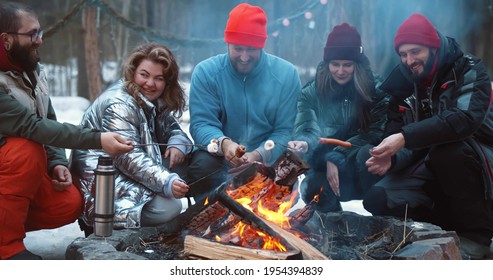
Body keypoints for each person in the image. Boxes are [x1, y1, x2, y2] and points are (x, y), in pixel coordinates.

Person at [0, 2, 133, 260]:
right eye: (32, 34)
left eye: (40, 32)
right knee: (25, 151)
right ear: (6, 40)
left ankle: (6, 224)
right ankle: (7, 248)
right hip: (11, 162)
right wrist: (98, 139)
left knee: (68, 203)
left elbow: (46, 117)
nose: (40, 40)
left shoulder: (30, 69)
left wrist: (57, 162)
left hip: (10, 173)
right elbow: (32, 127)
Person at [362, 14, 493, 259]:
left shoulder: (469, 69)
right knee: (377, 198)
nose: (409, 60)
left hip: (478, 159)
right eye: (403, 54)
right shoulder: (401, 84)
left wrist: (404, 137)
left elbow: (463, 120)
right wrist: (392, 158)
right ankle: (435, 230)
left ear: (433, 47)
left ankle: (476, 237)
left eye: (415, 51)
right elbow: (395, 133)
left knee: (449, 154)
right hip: (426, 161)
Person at [71, 43, 192, 236]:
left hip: (124, 171)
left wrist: (177, 142)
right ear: (133, 73)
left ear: (167, 82)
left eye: (158, 78)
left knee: (191, 165)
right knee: (170, 207)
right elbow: (128, 156)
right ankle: (107, 225)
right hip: (103, 178)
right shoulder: (120, 104)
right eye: (144, 75)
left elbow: (171, 127)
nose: (150, 83)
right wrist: (166, 181)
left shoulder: (151, 100)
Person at [187, 3, 301, 198]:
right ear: (227, 44)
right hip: (220, 157)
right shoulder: (206, 72)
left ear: (262, 46)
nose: (244, 57)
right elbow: (201, 123)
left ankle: (266, 219)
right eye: (238, 48)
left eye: (251, 49)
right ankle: (207, 216)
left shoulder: (286, 74)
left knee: (287, 176)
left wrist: (257, 155)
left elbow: (284, 130)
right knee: (200, 168)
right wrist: (225, 144)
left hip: (268, 157)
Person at [288, 23, 388, 213]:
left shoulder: (376, 90)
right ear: (327, 64)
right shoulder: (312, 92)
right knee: (312, 187)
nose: (340, 71)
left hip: (364, 169)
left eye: (347, 65)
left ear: (356, 65)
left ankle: (378, 216)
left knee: (367, 154)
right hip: (327, 169)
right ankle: (336, 223)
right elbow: (306, 126)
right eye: (335, 64)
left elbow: (377, 133)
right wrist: (304, 143)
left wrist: (337, 155)